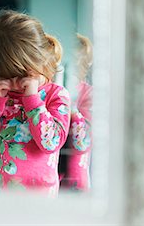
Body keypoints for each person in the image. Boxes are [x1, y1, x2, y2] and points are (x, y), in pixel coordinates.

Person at [0, 10, 70, 195]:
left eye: (22, 75)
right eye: (4, 75)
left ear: (41, 61)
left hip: (38, 197)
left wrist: (32, 100)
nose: (14, 84)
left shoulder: (57, 95)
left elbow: (50, 143)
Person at [63, 33, 93, 191]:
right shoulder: (51, 90)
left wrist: (71, 109)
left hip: (75, 178)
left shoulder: (89, 95)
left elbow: (84, 141)